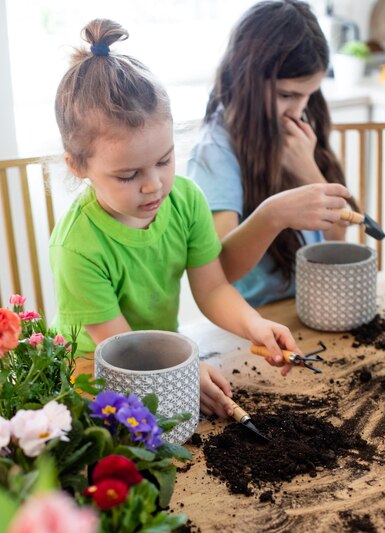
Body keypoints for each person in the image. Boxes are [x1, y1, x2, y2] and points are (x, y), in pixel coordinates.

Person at [49, 18, 301, 419]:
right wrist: (181, 373)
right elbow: (122, 348)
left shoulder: (184, 198)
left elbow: (214, 288)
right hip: (93, 367)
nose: (154, 186)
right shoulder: (77, 245)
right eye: (129, 175)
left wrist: (253, 325)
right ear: (78, 166)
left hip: (161, 351)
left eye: (164, 160)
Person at [187, 0, 355, 308]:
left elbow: (338, 237)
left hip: (310, 304)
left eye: (308, 95)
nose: (299, 109)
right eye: (286, 95)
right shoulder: (215, 152)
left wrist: (308, 171)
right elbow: (218, 270)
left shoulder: (297, 134)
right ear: (246, 78)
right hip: (256, 320)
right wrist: (273, 214)